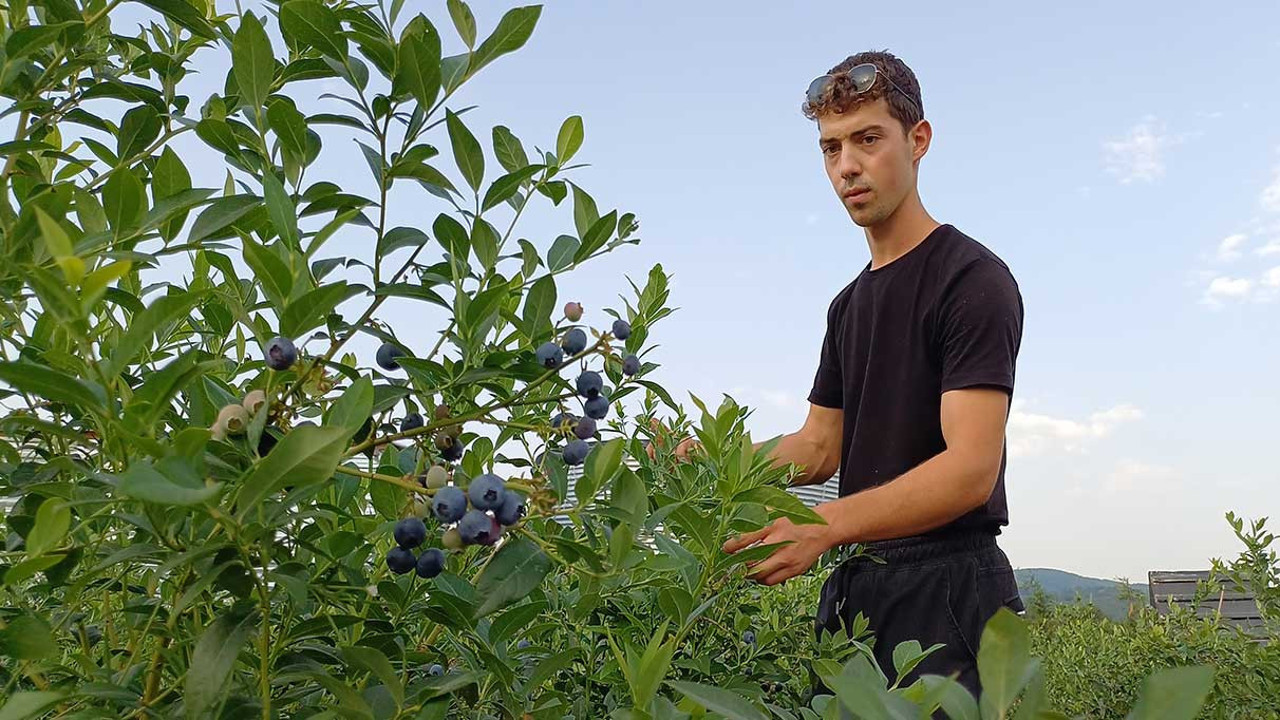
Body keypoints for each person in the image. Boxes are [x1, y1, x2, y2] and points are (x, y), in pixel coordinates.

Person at [648, 50, 1025, 698]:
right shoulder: (848, 306)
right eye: (830, 148)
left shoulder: (970, 279)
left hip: (950, 595)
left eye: (868, 139)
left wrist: (823, 529)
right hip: (858, 593)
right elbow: (819, 448)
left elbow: (970, 470)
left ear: (919, 140)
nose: (846, 165)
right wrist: (713, 463)